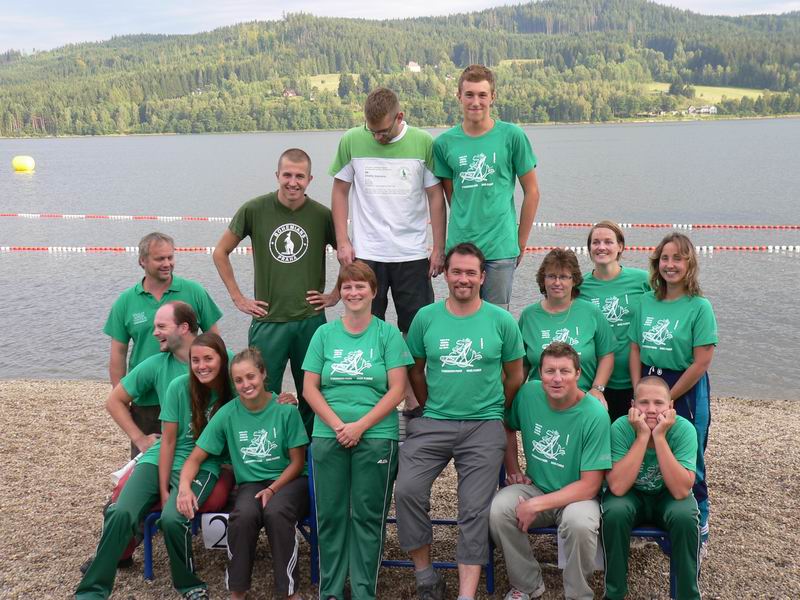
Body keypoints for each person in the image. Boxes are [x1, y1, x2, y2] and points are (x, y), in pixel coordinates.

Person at [394, 242, 524, 600]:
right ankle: (426, 576)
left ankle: (466, 594)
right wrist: (428, 406)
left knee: (474, 508)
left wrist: (495, 410)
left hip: (484, 425)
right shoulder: (426, 318)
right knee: (406, 491)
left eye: (470, 273)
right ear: (446, 275)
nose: (462, 279)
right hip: (434, 421)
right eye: (456, 272)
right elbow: (415, 370)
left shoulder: (501, 321)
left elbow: (515, 375)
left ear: (482, 277)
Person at [76, 333, 235, 600]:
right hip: (159, 458)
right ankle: (92, 591)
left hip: (205, 464)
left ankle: (188, 584)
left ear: (222, 360)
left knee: (173, 518)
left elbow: (261, 397)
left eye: (209, 359)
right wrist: (163, 490)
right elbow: (168, 442)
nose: (201, 366)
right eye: (195, 360)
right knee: (121, 512)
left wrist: (283, 399)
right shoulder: (178, 387)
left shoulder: (232, 390)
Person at [330, 86, 446, 417]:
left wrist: (438, 247)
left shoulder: (423, 142)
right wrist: (343, 240)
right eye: (372, 131)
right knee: (368, 326)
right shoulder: (352, 140)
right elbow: (339, 191)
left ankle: (413, 398)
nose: (377, 137)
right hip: (368, 253)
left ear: (399, 117)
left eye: (383, 131)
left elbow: (435, 197)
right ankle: (372, 398)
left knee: (415, 330)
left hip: (411, 254)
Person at [302, 261, 413, 600]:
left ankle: (364, 590)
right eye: (347, 287)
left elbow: (397, 389)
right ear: (341, 292)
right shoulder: (324, 334)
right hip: (329, 434)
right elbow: (309, 388)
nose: (353, 292)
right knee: (331, 516)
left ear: (373, 291)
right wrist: (339, 426)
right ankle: (331, 591)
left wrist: (360, 426)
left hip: (376, 435)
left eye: (360, 286)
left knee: (367, 516)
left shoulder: (387, 334)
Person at [213, 148, 339, 435]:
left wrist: (335, 295)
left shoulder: (321, 215)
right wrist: (238, 298)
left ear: (310, 179)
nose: (293, 182)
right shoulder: (254, 210)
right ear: (277, 175)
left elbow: (348, 255)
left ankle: (308, 452)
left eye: (300, 176)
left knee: (313, 394)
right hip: (268, 321)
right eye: (287, 175)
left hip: (310, 321)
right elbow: (220, 252)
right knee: (261, 393)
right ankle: (268, 448)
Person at [178, 348, 309, 600]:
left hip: (290, 480)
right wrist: (184, 487)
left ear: (263, 374)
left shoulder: (286, 410)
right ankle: (238, 589)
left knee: (277, 512)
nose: (246, 384)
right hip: (252, 482)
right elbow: (195, 457)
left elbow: (297, 462)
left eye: (251, 377)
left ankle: (289, 591)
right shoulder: (228, 413)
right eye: (238, 380)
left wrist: (272, 489)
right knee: (243, 516)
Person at [490, 342, 611, 600]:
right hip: (537, 486)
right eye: (550, 371)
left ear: (578, 374)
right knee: (499, 509)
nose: (557, 379)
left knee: (580, 523)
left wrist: (535, 505)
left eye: (564, 371)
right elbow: (506, 424)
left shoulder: (594, 415)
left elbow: (590, 485)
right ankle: (527, 584)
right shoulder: (528, 394)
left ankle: (578, 594)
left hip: (578, 496)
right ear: (540, 374)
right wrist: (513, 469)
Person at [629, 232, 717, 549]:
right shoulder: (646, 302)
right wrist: (638, 390)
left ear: (689, 264)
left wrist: (671, 398)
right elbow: (635, 348)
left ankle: (698, 525)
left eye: (677, 258)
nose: (670, 265)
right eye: (665, 258)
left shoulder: (699, 307)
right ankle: (652, 521)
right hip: (649, 383)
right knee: (646, 451)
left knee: (688, 456)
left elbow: (702, 360)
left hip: (685, 386)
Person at [105, 232, 222, 456]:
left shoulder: (194, 292)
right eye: (160, 259)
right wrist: (121, 396)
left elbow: (215, 342)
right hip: (146, 399)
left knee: (194, 460)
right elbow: (118, 354)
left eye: (170, 257)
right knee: (146, 460)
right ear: (142, 261)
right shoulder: (125, 302)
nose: (167, 263)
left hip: (193, 393)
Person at [433, 64, 540, 309]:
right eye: (469, 95)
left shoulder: (512, 136)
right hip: (460, 249)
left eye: (482, 95)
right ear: (459, 96)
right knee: (461, 314)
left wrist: (520, 241)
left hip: (500, 247)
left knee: (497, 318)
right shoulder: (444, 144)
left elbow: (532, 192)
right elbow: (453, 197)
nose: (476, 102)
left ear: (493, 97)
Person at [602, 376, 701, 600]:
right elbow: (617, 487)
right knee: (614, 512)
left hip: (668, 495)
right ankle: (614, 593)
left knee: (685, 517)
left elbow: (681, 491)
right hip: (631, 494)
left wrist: (660, 437)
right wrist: (642, 436)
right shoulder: (621, 428)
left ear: (671, 406)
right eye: (644, 402)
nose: (651, 410)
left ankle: (687, 595)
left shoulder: (684, 430)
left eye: (659, 403)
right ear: (633, 405)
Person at [518, 248, 615, 401]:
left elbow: (607, 355)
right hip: (540, 400)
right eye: (551, 276)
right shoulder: (529, 316)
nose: (557, 282)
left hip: (582, 399)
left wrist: (597, 388)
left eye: (563, 277)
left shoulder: (591, 312)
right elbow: (521, 365)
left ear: (574, 280)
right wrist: (514, 398)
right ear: (543, 279)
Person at [106, 301, 200, 456]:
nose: (155, 333)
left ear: (184, 328)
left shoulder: (222, 358)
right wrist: (140, 439)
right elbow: (113, 401)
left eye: (161, 326)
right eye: (155, 327)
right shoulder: (156, 365)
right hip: (177, 454)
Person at [579, 221, 650, 421]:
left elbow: (669, 303)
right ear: (589, 248)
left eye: (608, 242)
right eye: (596, 242)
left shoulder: (643, 280)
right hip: (596, 381)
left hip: (635, 378)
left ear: (620, 246)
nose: (601, 247)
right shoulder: (579, 287)